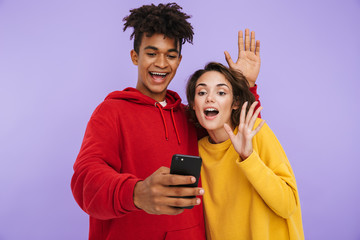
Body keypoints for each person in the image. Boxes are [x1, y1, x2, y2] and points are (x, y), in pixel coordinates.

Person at [71, 3, 261, 239]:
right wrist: (136, 193)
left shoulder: (191, 116)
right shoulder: (110, 112)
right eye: (151, 53)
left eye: (170, 55)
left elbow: (239, 138)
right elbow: (85, 181)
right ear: (134, 56)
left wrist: (245, 86)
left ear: (179, 60)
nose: (161, 63)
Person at [186, 62, 304, 239]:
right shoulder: (198, 151)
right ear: (194, 105)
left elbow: (287, 205)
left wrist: (248, 157)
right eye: (202, 92)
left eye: (221, 92)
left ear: (235, 103)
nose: (210, 98)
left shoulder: (255, 131)